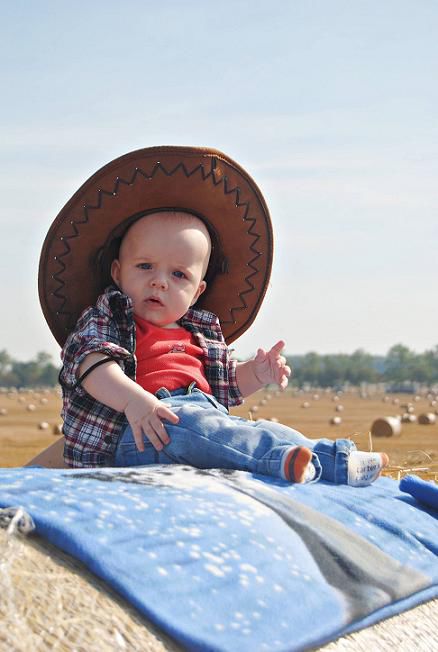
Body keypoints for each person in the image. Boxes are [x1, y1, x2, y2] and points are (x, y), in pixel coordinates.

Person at [39, 146, 388, 485]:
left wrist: (257, 372)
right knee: (196, 426)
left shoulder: (199, 334)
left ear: (197, 292)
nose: (159, 281)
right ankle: (276, 462)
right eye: (145, 266)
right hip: (140, 433)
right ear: (117, 272)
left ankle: (335, 461)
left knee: (260, 428)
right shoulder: (110, 318)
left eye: (179, 275)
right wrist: (135, 401)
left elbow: (226, 388)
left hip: (200, 418)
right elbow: (91, 366)